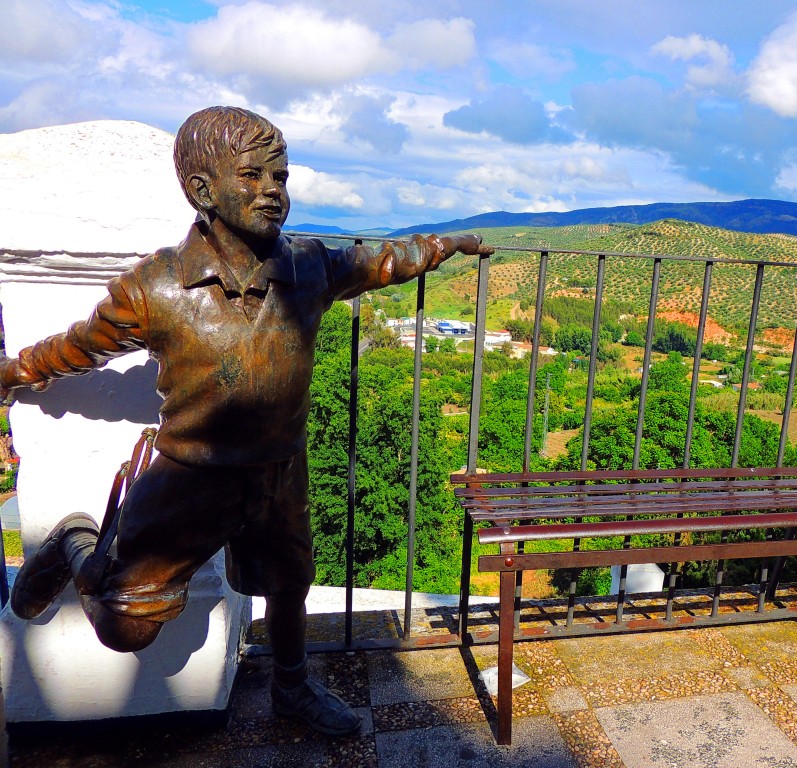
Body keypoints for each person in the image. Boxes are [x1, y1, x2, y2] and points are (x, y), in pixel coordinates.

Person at [0, 106, 493, 736]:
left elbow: (381, 261)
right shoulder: (155, 288)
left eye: (281, 178)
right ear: (202, 190)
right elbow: (82, 345)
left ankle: (292, 689)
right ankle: (75, 542)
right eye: (254, 176)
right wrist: (15, 371)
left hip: (279, 469)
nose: (273, 193)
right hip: (190, 478)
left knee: (290, 583)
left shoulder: (309, 267)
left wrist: (446, 243)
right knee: (127, 627)